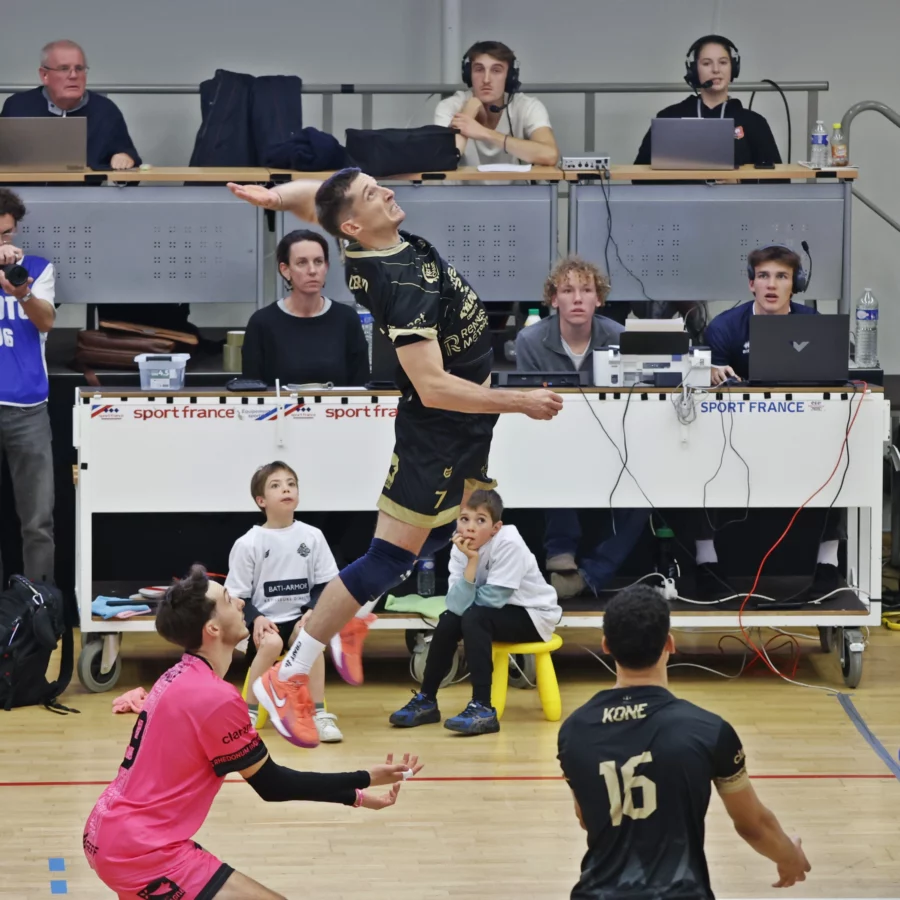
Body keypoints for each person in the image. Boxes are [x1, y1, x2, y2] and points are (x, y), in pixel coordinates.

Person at [227, 169, 562, 748]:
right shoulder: (397, 282)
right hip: (440, 428)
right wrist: (519, 402)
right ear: (356, 224)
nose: (385, 190)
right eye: (372, 192)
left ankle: (351, 615)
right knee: (385, 559)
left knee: (453, 533)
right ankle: (288, 674)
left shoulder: (358, 233)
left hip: (466, 424)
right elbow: (432, 385)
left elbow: (326, 198)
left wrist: (278, 196)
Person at [83, 564, 422, 900]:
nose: (242, 603)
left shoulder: (179, 676)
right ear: (212, 629)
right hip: (142, 851)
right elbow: (273, 785)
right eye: (230, 599)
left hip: (109, 832)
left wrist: (357, 794)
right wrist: (362, 779)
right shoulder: (213, 697)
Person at [558, 584, 810, 898]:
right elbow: (753, 824)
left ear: (606, 645)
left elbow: (587, 819)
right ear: (670, 644)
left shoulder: (574, 730)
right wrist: (789, 857)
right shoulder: (707, 729)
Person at [699, 244, 840, 598]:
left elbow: (832, 381)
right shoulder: (726, 327)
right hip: (734, 432)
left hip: (801, 430)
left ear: (795, 284)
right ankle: (705, 560)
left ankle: (829, 562)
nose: (771, 285)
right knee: (693, 455)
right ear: (751, 284)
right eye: (763, 276)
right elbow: (704, 385)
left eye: (782, 277)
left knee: (840, 453)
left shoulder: (815, 326)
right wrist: (711, 372)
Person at [516, 256, 649, 598]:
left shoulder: (620, 336)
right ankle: (560, 550)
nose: (577, 298)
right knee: (556, 461)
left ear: (599, 299)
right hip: (552, 441)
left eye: (586, 290)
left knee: (646, 494)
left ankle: (588, 576)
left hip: (612, 446)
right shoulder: (530, 341)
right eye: (567, 290)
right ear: (553, 298)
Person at [389, 489, 561, 735]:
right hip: (493, 612)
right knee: (449, 619)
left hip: (534, 615)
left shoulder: (509, 542)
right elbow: (455, 606)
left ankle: (483, 707)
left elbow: (494, 598)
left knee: (474, 617)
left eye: (480, 520)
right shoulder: (459, 548)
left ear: (496, 527)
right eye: (464, 519)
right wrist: (471, 562)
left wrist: (465, 596)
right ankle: (427, 700)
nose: (470, 527)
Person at [225, 461, 346, 746]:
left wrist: (312, 611)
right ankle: (249, 714)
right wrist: (255, 619)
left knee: (313, 636)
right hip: (262, 623)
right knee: (271, 645)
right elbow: (236, 597)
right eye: (276, 485)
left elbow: (326, 584)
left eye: (291, 483)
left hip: (299, 618)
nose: (286, 489)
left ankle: (319, 715)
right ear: (261, 500)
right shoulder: (249, 542)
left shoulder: (312, 536)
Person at [0, 188, 56, 588]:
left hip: (27, 406)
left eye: (7, 234)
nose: (4, 244)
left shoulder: (35, 268)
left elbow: (46, 321)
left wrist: (23, 293)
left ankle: (41, 610)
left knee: (38, 520)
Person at [242, 230, 370, 387]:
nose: (312, 271)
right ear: (285, 270)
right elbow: (250, 391)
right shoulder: (262, 322)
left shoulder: (346, 318)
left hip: (335, 411)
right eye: (302, 262)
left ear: (326, 267)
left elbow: (361, 388)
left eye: (318, 261)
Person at [634, 34, 781, 167]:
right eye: (706, 63)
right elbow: (639, 176)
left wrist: (738, 182)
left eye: (723, 62)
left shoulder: (754, 122)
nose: (716, 69)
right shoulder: (669, 117)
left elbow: (779, 181)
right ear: (694, 70)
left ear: (733, 69)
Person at [1, 40, 141, 170]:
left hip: (86, 196)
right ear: (44, 75)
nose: (73, 75)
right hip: (23, 195)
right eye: (64, 68)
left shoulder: (105, 111)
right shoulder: (17, 106)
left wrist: (126, 158)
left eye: (79, 68)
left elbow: (129, 157)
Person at [434, 40, 559, 167]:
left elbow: (549, 155)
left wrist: (485, 133)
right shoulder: (449, 106)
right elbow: (440, 161)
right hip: (460, 188)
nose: (486, 79)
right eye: (479, 69)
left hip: (519, 188)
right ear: (468, 74)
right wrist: (467, 113)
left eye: (496, 70)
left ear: (510, 77)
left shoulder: (528, 106)